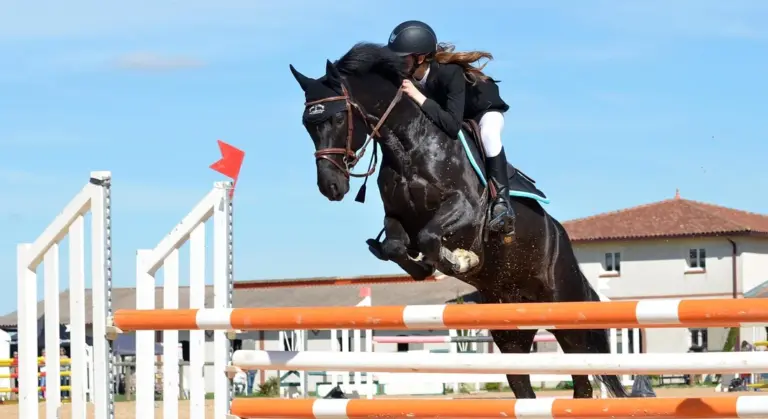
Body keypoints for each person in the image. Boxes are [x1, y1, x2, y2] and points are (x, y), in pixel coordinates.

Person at [386, 20, 515, 235]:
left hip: (483, 110)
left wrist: (417, 96)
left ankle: (502, 203)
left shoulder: (449, 73)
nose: (396, 63)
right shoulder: (409, 76)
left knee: (489, 135)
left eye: (401, 58)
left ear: (419, 58)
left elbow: (452, 126)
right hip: (452, 112)